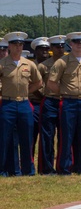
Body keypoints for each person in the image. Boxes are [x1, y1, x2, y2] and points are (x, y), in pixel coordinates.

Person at [47, 31, 81, 174]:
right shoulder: (62, 62)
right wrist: (64, 92)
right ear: (70, 44)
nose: (79, 45)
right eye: (76, 42)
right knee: (66, 136)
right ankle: (64, 168)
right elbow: (51, 83)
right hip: (68, 102)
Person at [0, 32, 44, 176]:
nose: (18, 47)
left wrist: (26, 91)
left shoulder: (29, 64)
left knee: (27, 138)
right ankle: (4, 169)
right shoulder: (3, 64)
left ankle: (28, 170)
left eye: (20, 45)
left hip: (24, 104)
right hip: (8, 103)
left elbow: (38, 82)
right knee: (5, 138)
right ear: (9, 46)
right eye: (15, 44)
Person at [37, 35, 65, 174]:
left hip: (65, 101)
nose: (60, 49)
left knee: (65, 136)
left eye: (62, 47)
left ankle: (63, 166)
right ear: (52, 49)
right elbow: (36, 83)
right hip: (50, 101)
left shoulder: (68, 64)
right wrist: (44, 94)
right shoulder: (43, 66)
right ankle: (46, 168)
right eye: (56, 47)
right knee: (47, 136)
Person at [28, 37, 50, 166]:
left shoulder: (52, 65)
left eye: (47, 49)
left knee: (47, 136)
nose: (45, 51)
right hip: (35, 103)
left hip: (48, 104)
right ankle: (29, 162)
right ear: (35, 51)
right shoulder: (31, 66)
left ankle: (45, 166)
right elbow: (31, 85)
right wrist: (42, 97)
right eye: (41, 49)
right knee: (31, 135)